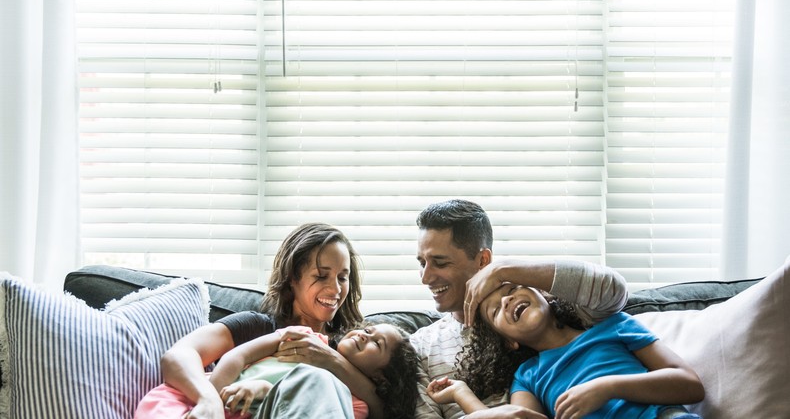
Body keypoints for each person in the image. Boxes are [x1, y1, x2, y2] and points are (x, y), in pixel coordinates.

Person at [136, 222, 385, 419]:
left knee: (320, 381)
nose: (335, 289)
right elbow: (179, 356)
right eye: (321, 276)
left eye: (343, 278)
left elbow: (383, 411)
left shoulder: (351, 349)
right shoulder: (259, 326)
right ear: (292, 278)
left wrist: (330, 360)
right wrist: (208, 400)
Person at [410, 199, 629, 419]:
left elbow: (613, 291)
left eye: (440, 262)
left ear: (483, 260)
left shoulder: (543, 311)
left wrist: (503, 270)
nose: (426, 278)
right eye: (422, 263)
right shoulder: (420, 348)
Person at [426, 283, 705, 419]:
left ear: (544, 295)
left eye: (511, 289)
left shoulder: (612, 326)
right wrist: (461, 393)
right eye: (496, 309)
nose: (508, 299)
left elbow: (690, 386)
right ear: (509, 341)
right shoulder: (527, 376)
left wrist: (607, 387)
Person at [138, 323, 419, 419]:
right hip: (193, 403)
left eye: (376, 343)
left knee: (319, 379)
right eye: (367, 330)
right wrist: (213, 401)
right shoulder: (304, 336)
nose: (364, 336)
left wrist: (261, 391)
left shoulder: (354, 403)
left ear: (382, 376)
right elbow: (239, 355)